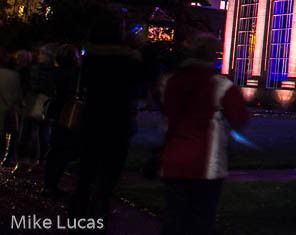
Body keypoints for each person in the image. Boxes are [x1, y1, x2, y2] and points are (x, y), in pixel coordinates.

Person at [160, 33, 249, 235]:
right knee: (201, 220)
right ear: (213, 56)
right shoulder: (220, 85)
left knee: (173, 218)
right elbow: (239, 117)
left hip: (173, 158)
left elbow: (161, 105)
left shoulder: (170, 81)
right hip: (206, 163)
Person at [70, 14, 143, 223]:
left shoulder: (90, 56)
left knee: (87, 168)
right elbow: (138, 86)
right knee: (110, 171)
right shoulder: (129, 58)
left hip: (93, 116)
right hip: (118, 118)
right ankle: (99, 209)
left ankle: (79, 208)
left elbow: (83, 84)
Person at [43, 44, 82, 196]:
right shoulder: (75, 74)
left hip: (56, 111)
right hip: (68, 112)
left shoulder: (54, 72)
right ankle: (53, 184)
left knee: (55, 148)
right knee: (64, 149)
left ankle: (49, 183)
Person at [0, 48, 23, 166]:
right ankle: (7, 157)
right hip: (10, 108)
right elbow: (17, 95)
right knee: (11, 133)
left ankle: (3, 155)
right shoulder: (15, 75)